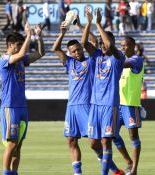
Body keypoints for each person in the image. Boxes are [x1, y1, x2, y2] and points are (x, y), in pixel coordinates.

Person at [52, 7, 98, 175]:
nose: (77, 52)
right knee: (71, 140)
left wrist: (80, 25)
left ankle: (106, 163)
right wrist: (62, 33)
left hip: (86, 105)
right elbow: (55, 49)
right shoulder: (70, 63)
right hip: (72, 106)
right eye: (74, 51)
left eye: (78, 49)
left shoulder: (91, 61)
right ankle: (77, 173)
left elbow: (94, 43)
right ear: (70, 53)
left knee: (94, 142)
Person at [0, 22, 45, 175]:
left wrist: (39, 37)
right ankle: (5, 173)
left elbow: (40, 54)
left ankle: (14, 172)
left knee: (18, 144)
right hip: (10, 107)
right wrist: (28, 36)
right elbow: (19, 54)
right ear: (10, 45)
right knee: (11, 144)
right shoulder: (4, 59)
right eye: (17, 44)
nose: (20, 47)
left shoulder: (21, 61)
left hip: (22, 107)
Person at [86, 8, 125, 175]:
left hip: (109, 105)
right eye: (100, 43)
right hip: (95, 104)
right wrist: (88, 24)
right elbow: (84, 43)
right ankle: (115, 170)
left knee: (105, 142)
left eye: (105, 42)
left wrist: (98, 24)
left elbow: (108, 44)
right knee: (93, 144)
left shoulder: (118, 58)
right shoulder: (96, 57)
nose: (102, 45)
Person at [113, 36, 144, 175]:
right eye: (121, 45)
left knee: (133, 137)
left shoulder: (136, 60)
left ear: (133, 45)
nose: (123, 48)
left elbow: (122, 63)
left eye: (125, 45)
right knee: (112, 134)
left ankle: (134, 169)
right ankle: (129, 162)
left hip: (130, 105)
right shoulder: (122, 61)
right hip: (117, 105)